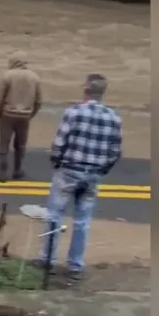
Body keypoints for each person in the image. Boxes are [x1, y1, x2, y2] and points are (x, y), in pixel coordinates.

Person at [39, 74, 122, 279]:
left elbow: (59, 143)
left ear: (86, 90)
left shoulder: (74, 112)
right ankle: (75, 265)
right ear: (103, 92)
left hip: (69, 170)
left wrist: (57, 162)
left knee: (55, 215)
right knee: (82, 221)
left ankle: (47, 260)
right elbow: (115, 151)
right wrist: (102, 169)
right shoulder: (113, 118)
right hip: (93, 173)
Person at [0, 52, 42, 181]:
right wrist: (31, 113)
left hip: (8, 114)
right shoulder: (35, 77)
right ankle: (18, 170)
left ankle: (2, 171)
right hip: (25, 116)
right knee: (20, 144)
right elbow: (38, 101)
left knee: (4, 144)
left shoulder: (7, 76)